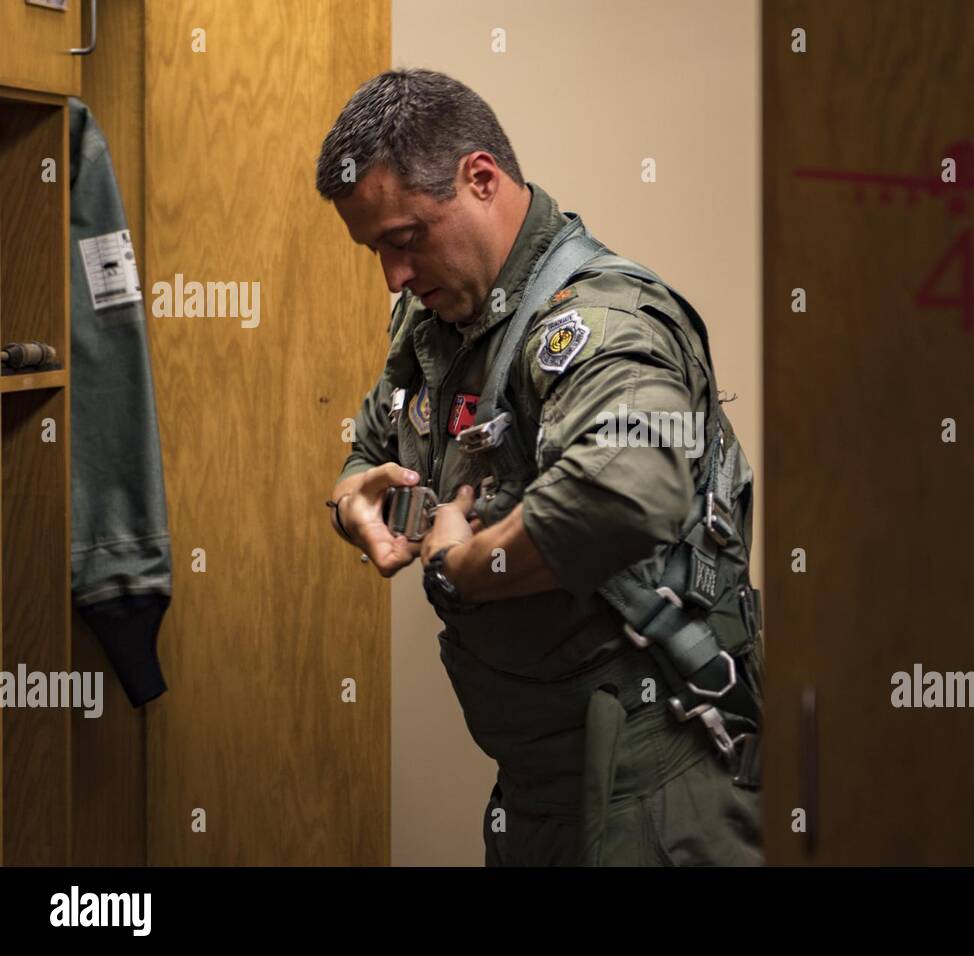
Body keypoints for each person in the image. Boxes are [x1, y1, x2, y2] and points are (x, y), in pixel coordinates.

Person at [317, 69, 763, 866]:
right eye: (375, 249)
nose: (392, 275)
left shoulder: (599, 319)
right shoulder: (442, 321)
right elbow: (378, 439)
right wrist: (353, 495)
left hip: (656, 791)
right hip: (541, 787)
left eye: (404, 239)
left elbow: (629, 489)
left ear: (480, 178)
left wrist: (466, 568)